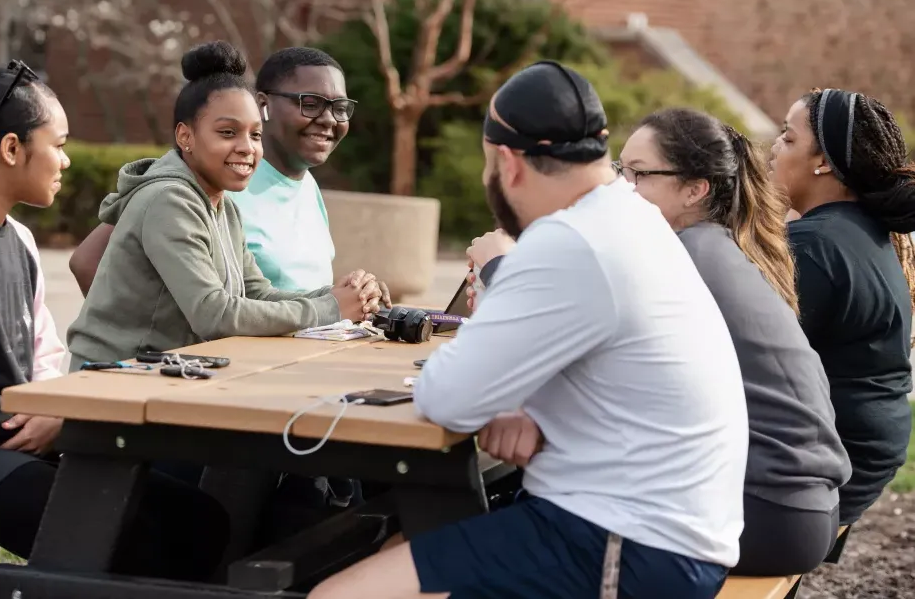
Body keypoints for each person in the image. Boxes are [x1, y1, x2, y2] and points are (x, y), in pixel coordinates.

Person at [309, 62, 748, 599]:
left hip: (629, 543)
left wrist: (499, 388)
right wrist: (518, 401)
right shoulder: (630, 219)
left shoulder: (570, 242)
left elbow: (446, 395)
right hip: (659, 527)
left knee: (339, 595)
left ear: (509, 164)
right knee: (395, 550)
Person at [0, 62, 228, 581]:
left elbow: (42, 357)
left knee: (199, 517)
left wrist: (61, 415)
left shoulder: (16, 239)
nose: (65, 159)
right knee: (127, 530)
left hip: (7, 445)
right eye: (57, 144)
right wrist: (49, 423)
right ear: (12, 149)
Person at [613, 108, 850, 576]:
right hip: (801, 507)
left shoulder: (679, 259)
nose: (623, 187)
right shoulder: (712, 247)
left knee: (549, 526)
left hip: (767, 514)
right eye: (620, 170)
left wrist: (502, 272)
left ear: (694, 189)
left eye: (639, 175)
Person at [66, 41, 377, 366]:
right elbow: (212, 314)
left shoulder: (223, 204)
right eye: (228, 132)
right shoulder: (169, 199)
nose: (247, 148)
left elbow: (257, 292)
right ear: (185, 137)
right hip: (113, 380)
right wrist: (330, 309)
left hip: (172, 373)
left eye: (255, 135)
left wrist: (339, 297)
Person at [770, 87, 915, 526]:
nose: (775, 147)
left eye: (788, 138)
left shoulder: (815, 246)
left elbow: (753, 359)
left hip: (832, 463)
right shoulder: (855, 227)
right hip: (864, 448)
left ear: (824, 162)